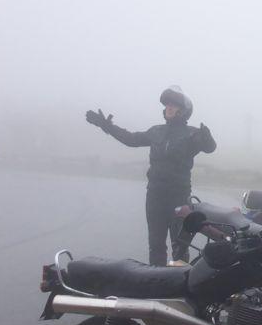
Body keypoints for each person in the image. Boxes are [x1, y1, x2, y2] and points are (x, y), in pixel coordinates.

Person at [85, 86, 216, 266]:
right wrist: (106, 125)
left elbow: (210, 148)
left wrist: (207, 139)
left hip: (179, 198)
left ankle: (180, 279)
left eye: (173, 105)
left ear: (183, 111)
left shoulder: (192, 133)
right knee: (156, 246)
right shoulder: (156, 131)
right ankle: (157, 278)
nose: (168, 108)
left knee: (179, 247)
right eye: (167, 105)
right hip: (154, 196)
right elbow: (131, 139)